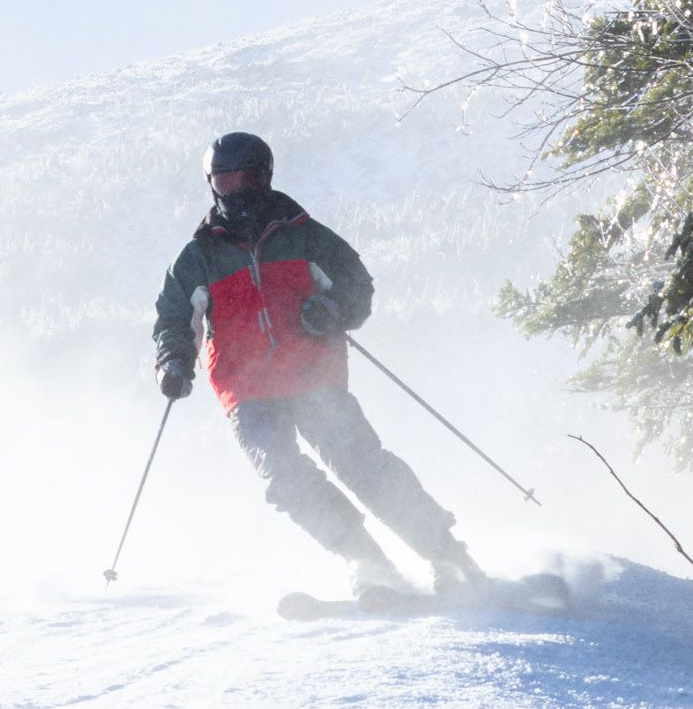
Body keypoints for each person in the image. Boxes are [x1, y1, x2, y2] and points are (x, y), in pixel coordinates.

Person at [152, 131, 484, 597]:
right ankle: (368, 565)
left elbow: (356, 285)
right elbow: (173, 316)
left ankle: (449, 558)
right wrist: (174, 361)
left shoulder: (303, 234)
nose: (235, 192)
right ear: (211, 186)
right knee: (286, 479)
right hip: (246, 391)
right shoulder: (199, 255)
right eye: (223, 183)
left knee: (362, 465)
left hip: (314, 376)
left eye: (243, 179)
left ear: (264, 177)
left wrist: (333, 309)